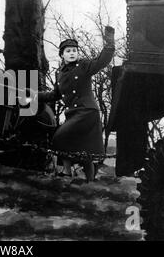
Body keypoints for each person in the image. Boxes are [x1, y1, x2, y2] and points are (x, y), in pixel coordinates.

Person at [38, 26, 115, 181]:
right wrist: (35, 96)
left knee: (59, 137)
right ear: (62, 55)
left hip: (87, 112)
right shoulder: (60, 73)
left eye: (74, 50)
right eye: (68, 51)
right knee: (83, 149)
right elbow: (55, 94)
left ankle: (68, 172)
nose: (72, 53)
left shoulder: (84, 66)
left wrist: (109, 42)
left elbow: (102, 61)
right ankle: (89, 181)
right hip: (73, 114)